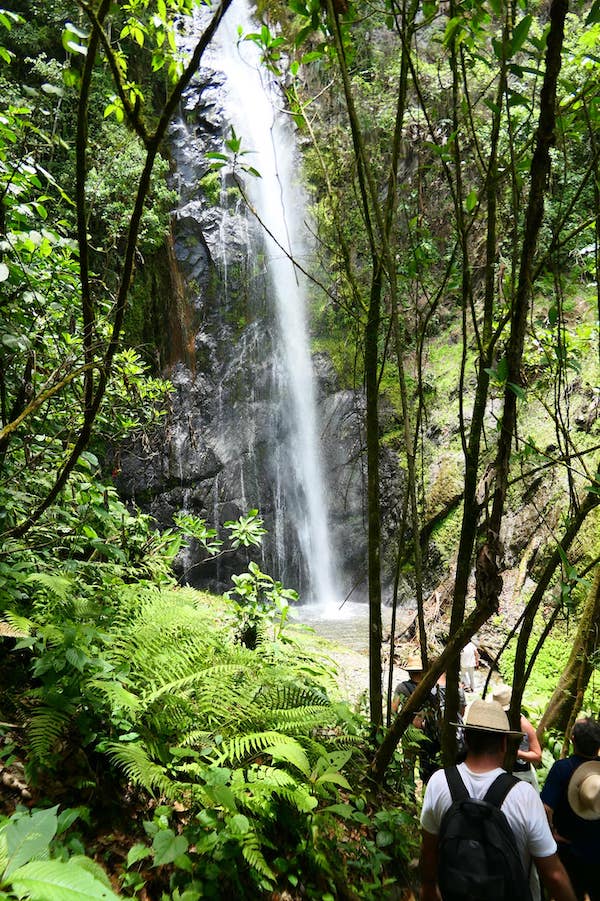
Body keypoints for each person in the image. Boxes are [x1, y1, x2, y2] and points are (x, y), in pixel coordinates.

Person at [420, 699, 577, 901]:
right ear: (504, 743)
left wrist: (427, 888)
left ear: (466, 738)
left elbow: (429, 850)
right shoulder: (524, 795)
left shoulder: (438, 782)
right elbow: (553, 875)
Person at [541, 717, 600, 900]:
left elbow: (545, 809)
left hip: (569, 852)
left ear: (573, 739)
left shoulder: (562, 769)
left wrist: (551, 835)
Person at [392, 654, 442, 785]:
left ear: (409, 672)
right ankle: (427, 793)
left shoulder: (402, 688)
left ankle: (409, 796)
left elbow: (393, 709)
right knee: (428, 765)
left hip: (409, 732)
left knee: (408, 764)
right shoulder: (431, 688)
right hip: (428, 732)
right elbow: (437, 710)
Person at [491, 683, 542, 790]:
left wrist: (514, 752)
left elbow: (537, 755)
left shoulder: (522, 723)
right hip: (498, 774)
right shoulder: (494, 720)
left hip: (521, 775)